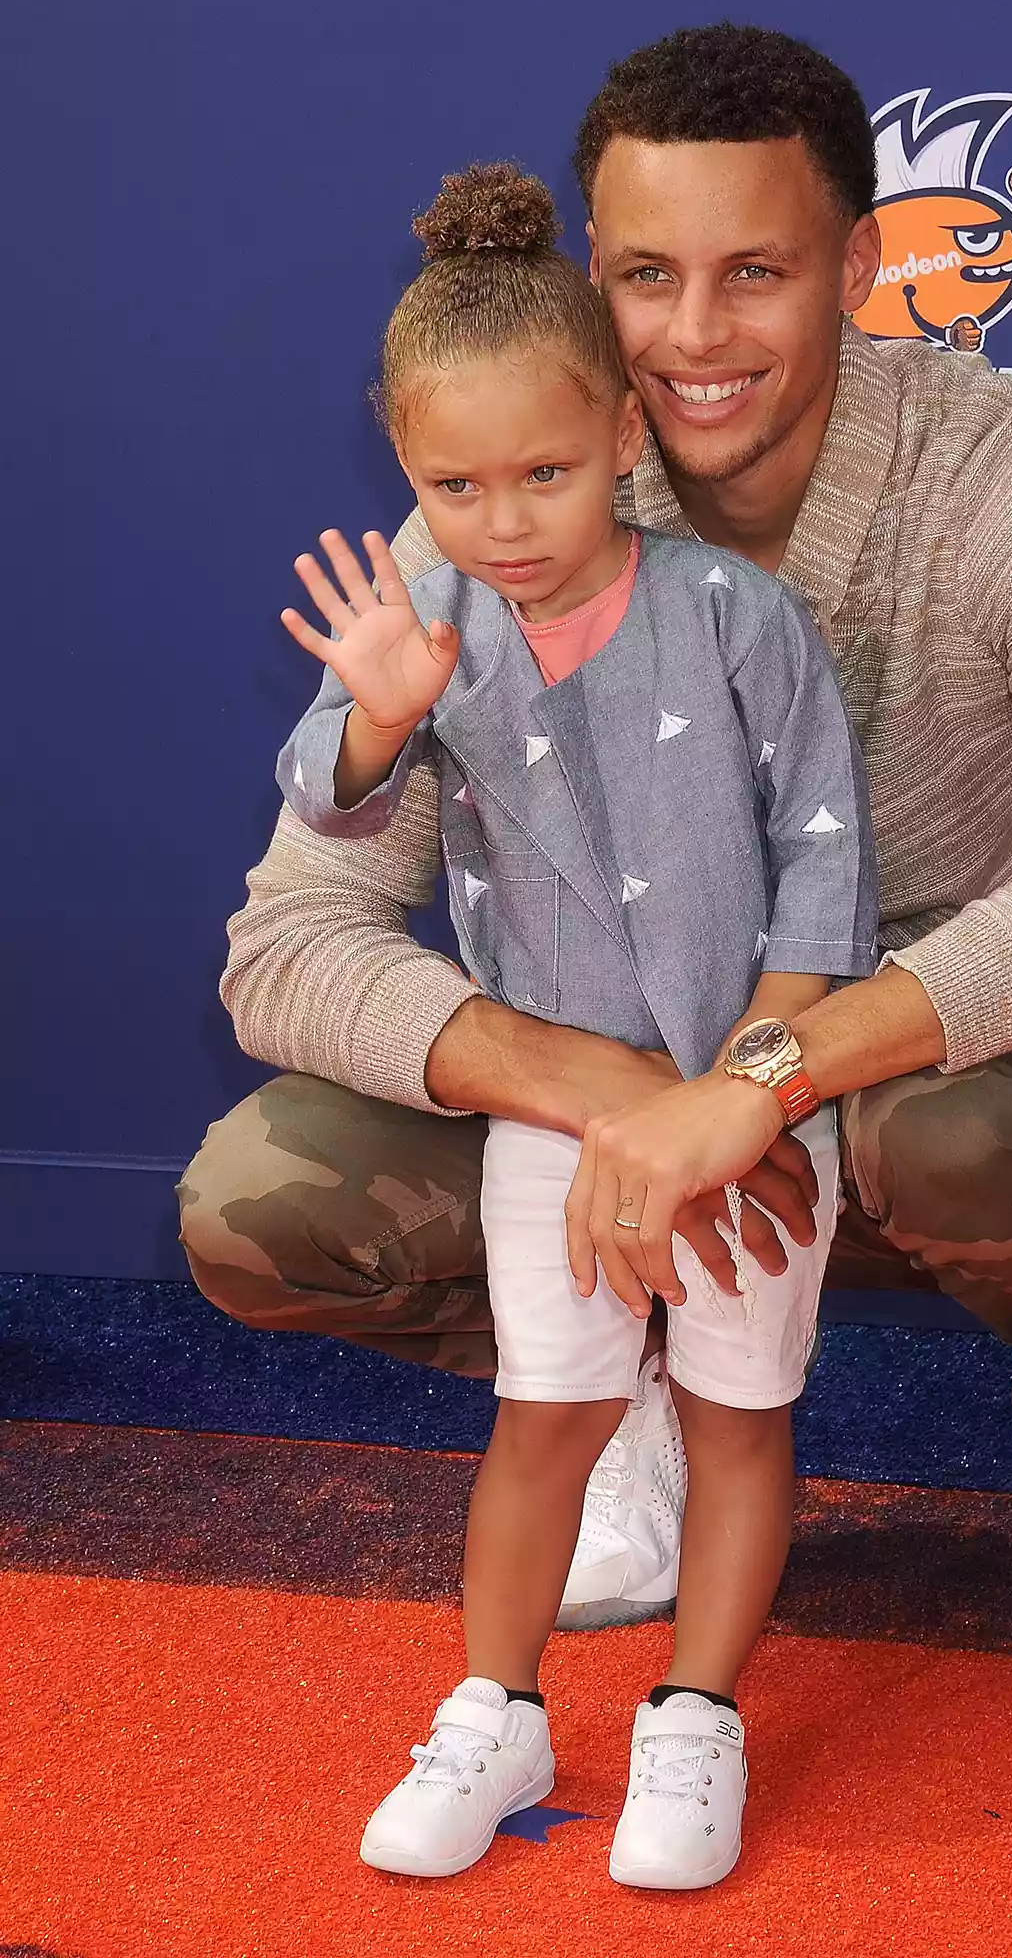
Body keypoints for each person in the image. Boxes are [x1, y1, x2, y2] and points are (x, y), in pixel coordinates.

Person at [180, 24, 1012, 1747]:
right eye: (647, 274)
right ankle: (634, 1375)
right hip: (633, 1055)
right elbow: (286, 944)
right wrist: (619, 1095)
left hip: (943, 1036)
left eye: (755, 272)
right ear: (588, 272)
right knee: (252, 1204)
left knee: (943, 1134)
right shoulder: (503, 503)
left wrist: (765, 1079)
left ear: (863, 265)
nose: (690, 335)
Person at [274, 160, 876, 1888]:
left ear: (624, 431)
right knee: (548, 1410)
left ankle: (696, 1717)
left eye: (544, 470)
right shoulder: (425, 627)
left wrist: (747, 1102)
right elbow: (320, 804)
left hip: (755, 1105)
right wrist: (382, 724)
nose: (507, 518)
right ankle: (496, 1704)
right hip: (545, 1125)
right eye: (454, 485)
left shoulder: (740, 620)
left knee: (742, 1415)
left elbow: (821, 885)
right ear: (406, 476)